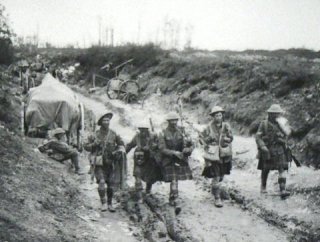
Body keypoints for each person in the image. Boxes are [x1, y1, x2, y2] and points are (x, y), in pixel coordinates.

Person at [84, 112, 126, 212]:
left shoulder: (113, 133)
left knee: (111, 185)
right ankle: (103, 203)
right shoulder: (95, 134)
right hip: (99, 163)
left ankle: (110, 203)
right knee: (101, 182)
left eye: (108, 120)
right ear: (101, 122)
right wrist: (94, 144)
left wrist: (118, 151)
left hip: (111, 163)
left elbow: (121, 145)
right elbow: (86, 146)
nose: (106, 122)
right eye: (104, 120)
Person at [158, 112, 194, 211]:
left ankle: (173, 198)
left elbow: (191, 144)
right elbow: (162, 149)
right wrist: (174, 153)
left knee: (175, 180)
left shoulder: (182, 132)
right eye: (172, 121)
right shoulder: (163, 133)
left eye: (175, 120)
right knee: (174, 179)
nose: (174, 122)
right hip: (168, 160)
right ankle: (174, 199)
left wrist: (188, 149)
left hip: (180, 160)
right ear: (168, 122)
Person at [256, 104, 291, 199]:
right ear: (270, 114)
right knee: (265, 169)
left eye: (278, 114)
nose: (276, 115)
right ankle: (263, 186)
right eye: (274, 114)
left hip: (279, 149)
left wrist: (282, 126)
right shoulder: (264, 124)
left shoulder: (282, 123)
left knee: (282, 168)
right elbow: (258, 137)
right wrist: (262, 146)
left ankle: (282, 189)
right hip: (268, 149)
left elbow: (288, 133)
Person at [201, 106, 233, 208]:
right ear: (213, 117)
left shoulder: (226, 126)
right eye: (216, 115)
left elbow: (231, 137)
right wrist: (207, 140)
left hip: (224, 154)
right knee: (216, 175)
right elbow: (201, 139)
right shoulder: (208, 127)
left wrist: (227, 139)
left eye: (220, 115)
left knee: (222, 175)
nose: (219, 117)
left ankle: (215, 190)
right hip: (214, 155)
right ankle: (217, 198)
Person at [126, 121, 162, 203]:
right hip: (139, 159)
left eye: (144, 130)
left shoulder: (153, 136)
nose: (142, 132)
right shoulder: (137, 137)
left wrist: (154, 146)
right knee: (137, 175)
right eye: (141, 130)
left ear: (147, 130)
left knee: (150, 177)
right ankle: (139, 197)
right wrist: (124, 152)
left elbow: (160, 146)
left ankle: (148, 191)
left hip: (150, 160)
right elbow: (130, 145)